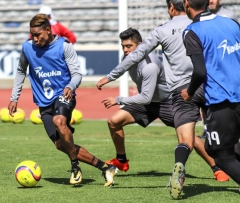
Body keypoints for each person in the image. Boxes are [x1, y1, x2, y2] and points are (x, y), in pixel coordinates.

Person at [98, 27, 228, 183]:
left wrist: (118, 100)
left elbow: (145, 97)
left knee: (189, 137)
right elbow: (145, 97)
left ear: (140, 46)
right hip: (147, 101)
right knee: (114, 121)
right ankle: (121, 160)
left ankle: (217, 168)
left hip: (167, 102)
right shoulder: (126, 58)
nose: (125, 50)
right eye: (123, 47)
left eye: (129, 46)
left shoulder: (150, 66)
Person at [8, 14, 116, 186]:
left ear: (48, 30)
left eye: (38, 35)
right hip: (43, 102)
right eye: (32, 35)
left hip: (64, 95)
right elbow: (21, 71)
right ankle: (105, 167)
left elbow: (77, 74)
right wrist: (14, 98)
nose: (35, 39)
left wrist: (70, 87)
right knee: (61, 145)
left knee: (59, 121)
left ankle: (75, 167)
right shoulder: (27, 48)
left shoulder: (64, 46)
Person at [182, 0, 240, 197]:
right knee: (223, 148)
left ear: (186, 3)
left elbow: (200, 72)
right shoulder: (230, 22)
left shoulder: (192, 31)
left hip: (222, 99)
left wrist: (189, 92)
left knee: (221, 156)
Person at [198, 0, 240, 139]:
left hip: (229, 63)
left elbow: (239, 37)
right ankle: (208, 128)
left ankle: (238, 128)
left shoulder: (230, 15)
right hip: (212, 65)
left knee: (234, 97)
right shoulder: (203, 17)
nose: (211, 0)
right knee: (208, 98)